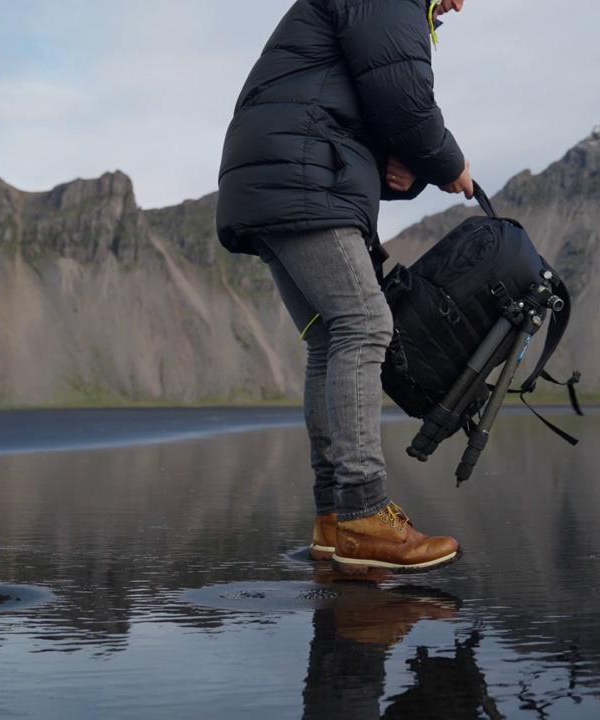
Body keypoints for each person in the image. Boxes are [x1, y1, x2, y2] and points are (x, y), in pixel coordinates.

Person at [216, 0, 473, 574]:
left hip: (282, 171)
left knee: (330, 339)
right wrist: (447, 161)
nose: (460, 3)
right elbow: (404, 100)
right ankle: (363, 512)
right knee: (365, 323)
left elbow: (364, 108)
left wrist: (403, 164)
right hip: (300, 172)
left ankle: (334, 519)